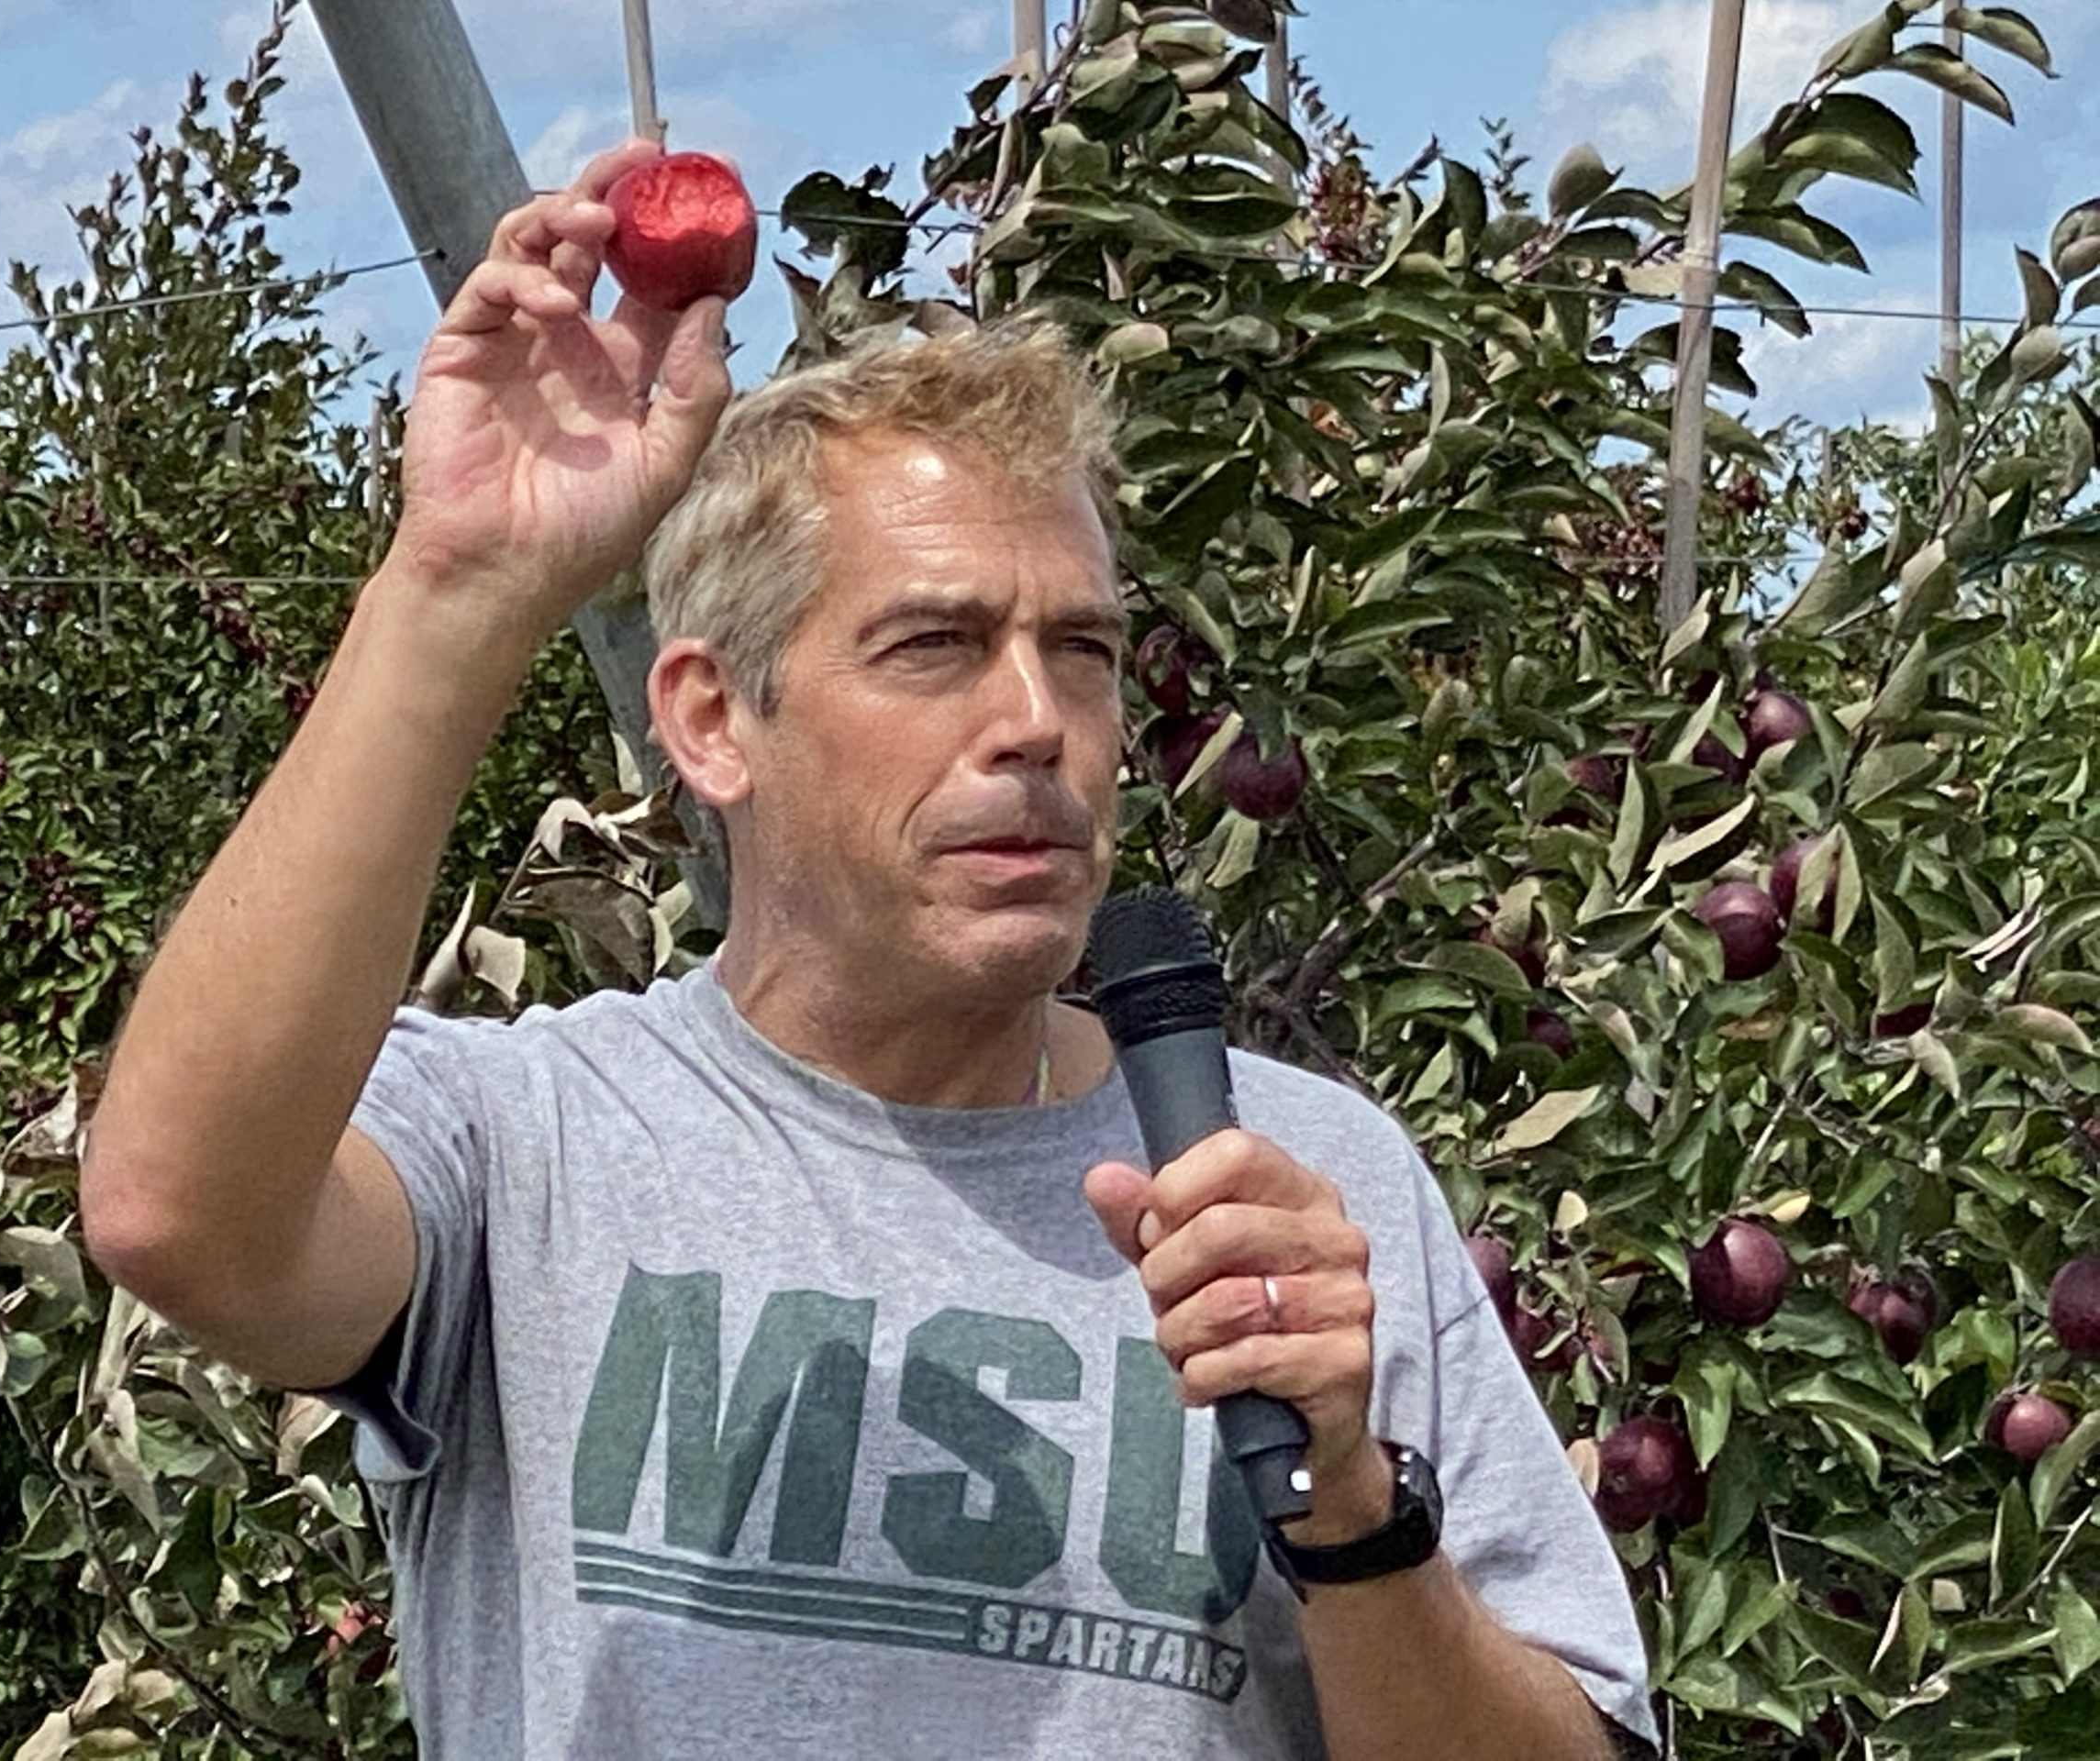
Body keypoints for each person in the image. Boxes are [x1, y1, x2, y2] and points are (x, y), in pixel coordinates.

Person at [81, 138, 1656, 1760]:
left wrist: (1351, 1505)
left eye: (1084, 651)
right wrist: (457, 587)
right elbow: (175, 1214)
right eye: (935, 646)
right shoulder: (535, 1146)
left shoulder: (1301, 1188)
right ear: (709, 720)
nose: (1036, 723)